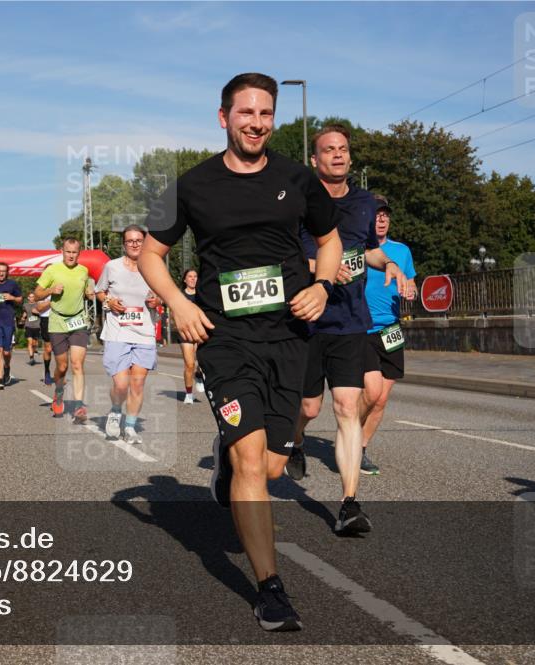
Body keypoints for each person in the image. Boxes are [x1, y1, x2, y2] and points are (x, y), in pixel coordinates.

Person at [138, 73, 343, 632]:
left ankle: (228, 472)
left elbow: (329, 242)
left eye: (266, 114)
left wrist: (322, 286)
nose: (257, 123)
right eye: (246, 112)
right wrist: (179, 305)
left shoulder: (299, 178)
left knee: (273, 464)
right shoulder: (191, 185)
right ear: (223, 116)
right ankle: (270, 589)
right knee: (251, 459)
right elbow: (152, 254)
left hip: (288, 337)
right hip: (224, 339)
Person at [288, 125, 408, 536]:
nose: (337, 156)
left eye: (343, 150)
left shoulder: (363, 203)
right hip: (309, 319)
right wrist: (320, 269)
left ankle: (349, 504)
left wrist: (387, 263)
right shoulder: (303, 202)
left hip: (351, 323)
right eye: (329, 150)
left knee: (345, 408)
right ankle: (297, 441)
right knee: (308, 408)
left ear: (350, 158)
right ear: (315, 160)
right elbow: (287, 254)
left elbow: (368, 248)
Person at [360, 197, 417, 474]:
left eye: (385, 215)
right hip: (361, 328)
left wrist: (411, 291)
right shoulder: (359, 249)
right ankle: (349, 434)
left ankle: (359, 448)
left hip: (390, 329)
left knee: (382, 399)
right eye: (377, 215)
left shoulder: (402, 251)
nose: (381, 219)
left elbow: (411, 283)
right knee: (370, 394)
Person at [95, 225, 161, 444]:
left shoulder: (154, 267)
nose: (134, 244)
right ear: (124, 244)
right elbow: (99, 292)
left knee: (138, 383)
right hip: (117, 332)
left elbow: (162, 294)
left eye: (139, 240)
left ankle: (130, 427)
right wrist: (109, 301)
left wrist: (156, 301)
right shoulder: (111, 267)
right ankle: (115, 411)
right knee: (122, 384)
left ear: (144, 242)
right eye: (130, 241)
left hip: (144, 333)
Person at [34, 237, 95, 423]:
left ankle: (78, 406)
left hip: (78, 321)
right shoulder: (52, 270)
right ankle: (59, 392)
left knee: (77, 364)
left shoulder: (84, 271)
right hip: (58, 322)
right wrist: (51, 290)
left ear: (79, 253)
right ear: (62, 251)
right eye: (68, 252)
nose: (71, 255)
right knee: (62, 366)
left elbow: (87, 290)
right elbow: (37, 293)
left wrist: (89, 292)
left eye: (74, 252)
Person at [0, 262, 24, 390]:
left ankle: (7, 367)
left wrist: (12, 297)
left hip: (8, 322)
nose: (1, 273)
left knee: (7, 352)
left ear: (7, 272)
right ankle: (0, 379)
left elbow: (20, 299)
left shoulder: (12, 284)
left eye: (4, 271)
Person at [178, 268, 205, 404]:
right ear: (185, 279)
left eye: (195, 276)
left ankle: (199, 374)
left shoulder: (203, 295)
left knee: (202, 361)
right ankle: (188, 394)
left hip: (201, 331)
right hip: (186, 332)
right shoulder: (180, 296)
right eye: (190, 276)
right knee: (189, 364)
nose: (193, 279)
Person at [37, 294, 54, 384]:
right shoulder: (43, 290)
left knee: (62, 349)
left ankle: (61, 373)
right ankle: (47, 371)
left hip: (62, 318)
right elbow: (39, 308)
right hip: (46, 319)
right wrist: (53, 301)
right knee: (48, 348)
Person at [23, 293, 42, 365]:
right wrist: (23, 317)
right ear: (28, 298)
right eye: (30, 297)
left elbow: (42, 313)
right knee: (30, 342)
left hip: (37, 326)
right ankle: (31, 358)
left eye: (33, 297)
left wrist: (37, 312)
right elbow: (25, 313)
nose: (32, 298)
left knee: (34, 344)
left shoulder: (38, 304)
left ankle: (33, 355)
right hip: (28, 325)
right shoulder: (25, 305)